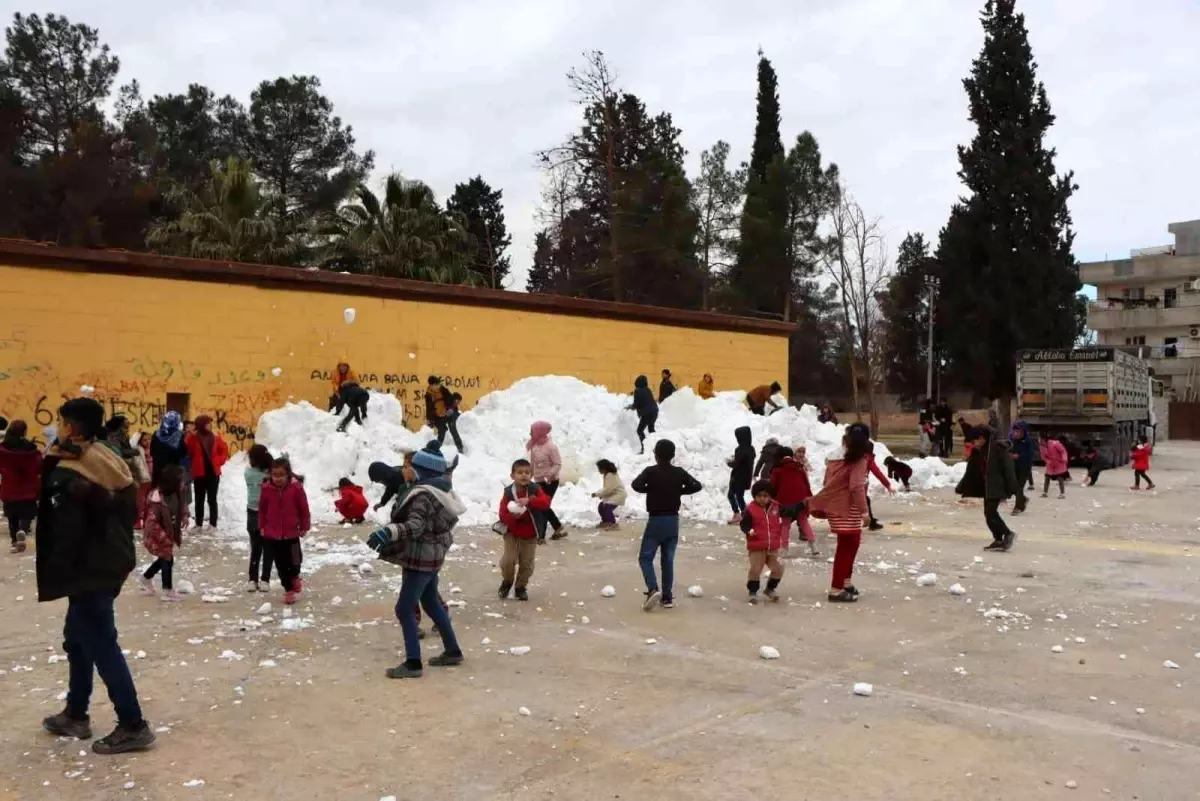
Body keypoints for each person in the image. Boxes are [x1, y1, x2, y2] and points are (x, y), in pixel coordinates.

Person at [37, 397, 156, 754]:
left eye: (62, 422)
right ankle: (76, 713)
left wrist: (57, 574)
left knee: (101, 642)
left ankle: (133, 724)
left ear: (72, 427)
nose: (59, 428)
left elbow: (67, 532)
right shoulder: (105, 458)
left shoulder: (72, 472)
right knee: (77, 639)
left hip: (91, 567)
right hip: (109, 559)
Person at [365, 442, 465, 679]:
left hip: (420, 558)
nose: (405, 469)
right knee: (430, 602)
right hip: (432, 557)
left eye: (409, 466)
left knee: (403, 609)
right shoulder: (438, 491)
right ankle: (452, 650)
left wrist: (388, 532)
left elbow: (417, 525)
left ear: (421, 471)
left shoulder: (422, 496)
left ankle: (413, 663)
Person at [800, 426, 870, 602]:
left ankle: (845, 583)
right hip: (849, 508)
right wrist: (864, 512)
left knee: (849, 544)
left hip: (836, 506)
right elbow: (856, 487)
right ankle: (836, 588)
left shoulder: (834, 457)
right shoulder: (858, 459)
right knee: (847, 547)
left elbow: (827, 482)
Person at [631, 439, 703, 611]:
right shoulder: (678, 472)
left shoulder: (650, 472)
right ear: (672, 455)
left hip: (656, 520)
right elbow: (697, 485)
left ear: (656, 455)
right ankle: (667, 597)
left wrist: (651, 489)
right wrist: (679, 491)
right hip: (673, 521)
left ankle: (653, 589)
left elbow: (636, 485)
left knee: (645, 557)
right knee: (667, 559)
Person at [496, 458, 553, 600]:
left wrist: (530, 500)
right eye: (520, 472)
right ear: (512, 476)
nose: (524, 475)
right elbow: (502, 513)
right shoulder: (509, 492)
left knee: (527, 564)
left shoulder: (535, 489)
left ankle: (520, 587)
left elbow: (546, 502)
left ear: (532, 475)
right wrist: (513, 516)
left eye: (527, 472)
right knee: (508, 561)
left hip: (530, 534)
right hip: (512, 533)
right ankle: (507, 581)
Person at [956, 426, 1018, 551]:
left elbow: (1008, 469)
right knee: (988, 514)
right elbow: (971, 471)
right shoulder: (979, 450)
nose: (974, 444)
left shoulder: (997, 449)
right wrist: (962, 486)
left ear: (982, 438)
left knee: (991, 512)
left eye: (975, 441)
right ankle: (998, 539)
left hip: (997, 486)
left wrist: (1011, 488)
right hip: (987, 487)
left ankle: (1008, 533)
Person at [257, 457, 310, 605]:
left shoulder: (296, 488)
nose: (278, 478)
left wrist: (305, 525)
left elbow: (303, 508)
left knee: (295, 559)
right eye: (275, 475)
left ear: (288, 474)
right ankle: (289, 590)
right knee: (280, 564)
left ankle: (294, 576)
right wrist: (261, 526)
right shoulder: (266, 488)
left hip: (292, 532)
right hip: (273, 533)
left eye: (281, 475)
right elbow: (262, 509)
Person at [138, 464, 188, 601]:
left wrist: (184, 515)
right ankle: (167, 590)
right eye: (181, 480)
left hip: (171, 531)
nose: (184, 482)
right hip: (157, 535)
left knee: (165, 558)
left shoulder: (179, 491)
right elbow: (151, 523)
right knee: (167, 558)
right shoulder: (156, 500)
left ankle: (146, 577)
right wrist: (163, 538)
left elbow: (182, 504)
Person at [738, 479, 788, 603]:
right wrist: (749, 530)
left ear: (770, 496)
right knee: (756, 570)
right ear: (755, 496)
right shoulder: (750, 509)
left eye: (765, 496)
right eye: (759, 496)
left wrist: (802, 505)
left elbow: (788, 512)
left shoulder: (776, 507)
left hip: (773, 546)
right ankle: (753, 592)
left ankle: (770, 589)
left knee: (779, 568)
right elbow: (744, 524)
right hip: (757, 546)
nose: (762, 499)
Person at [0, 420, 42, 553]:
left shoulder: (3, 449)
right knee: (27, 513)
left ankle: (14, 542)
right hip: (28, 488)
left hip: (9, 487)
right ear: (25, 431)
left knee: (12, 515)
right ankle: (23, 529)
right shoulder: (31, 448)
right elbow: (39, 465)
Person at [770, 446, 818, 557]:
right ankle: (813, 546)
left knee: (786, 524)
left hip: (785, 500)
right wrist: (808, 497)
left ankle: (785, 549)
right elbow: (806, 482)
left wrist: (772, 499)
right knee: (803, 522)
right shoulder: (799, 467)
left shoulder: (777, 469)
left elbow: (772, 485)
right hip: (801, 499)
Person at [184, 415, 228, 529]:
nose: (210, 426)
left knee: (212, 499)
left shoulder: (215, 438)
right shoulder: (193, 438)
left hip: (213, 473)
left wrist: (218, 461)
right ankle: (198, 524)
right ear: (201, 426)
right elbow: (188, 450)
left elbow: (224, 451)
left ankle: (213, 524)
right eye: (208, 424)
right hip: (200, 473)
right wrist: (190, 435)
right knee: (199, 499)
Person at [527, 421, 567, 541]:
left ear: (540, 432)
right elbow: (532, 464)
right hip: (539, 481)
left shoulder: (551, 447)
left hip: (550, 482)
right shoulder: (534, 446)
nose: (530, 433)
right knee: (542, 506)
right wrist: (528, 478)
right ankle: (557, 527)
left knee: (543, 507)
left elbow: (557, 464)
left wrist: (549, 475)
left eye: (532, 431)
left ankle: (541, 536)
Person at [243, 444, 273, 592]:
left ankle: (252, 579)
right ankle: (265, 579)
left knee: (256, 548)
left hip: (252, 513)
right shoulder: (269, 475)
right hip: (268, 514)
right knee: (268, 548)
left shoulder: (248, 473)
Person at [425, 376, 464, 452]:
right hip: (438, 416)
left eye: (439, 384)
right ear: (431, 385)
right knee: (441, 431)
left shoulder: (443, 390)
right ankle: (436, 450)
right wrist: (429, 419)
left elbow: (451, 400)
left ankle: (460, 448)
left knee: (453, 429)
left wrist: (452, 409)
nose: (438, 386)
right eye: (436, 385)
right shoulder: (428, 395)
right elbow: (429, 408)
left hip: (449, 413)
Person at [725, 426, 755, 524]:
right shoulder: (751, 449)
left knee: (731, 495)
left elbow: (736, 463)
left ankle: (738, 514)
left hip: (738, 477)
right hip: (746, 477)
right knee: (739, 496)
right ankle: (745, 514)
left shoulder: (740, 449)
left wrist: (729, 462)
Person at [149, 411, 188, 486]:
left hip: (158, 470)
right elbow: (182, 452)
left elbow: (152, 451)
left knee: (158, 494)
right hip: (172, 471)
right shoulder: (178, 436)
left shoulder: (156, 434)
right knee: (171, 493)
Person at [1008, 422, 1036, 512]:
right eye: (1014, 431)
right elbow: (1008, 449)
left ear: (1023, 431)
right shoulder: (1012, 440)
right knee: (1013, 486)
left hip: (1024, 467)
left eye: (1017, 431)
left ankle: (1018, 507)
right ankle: (1023, 499)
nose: (1015, 433)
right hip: (1014, 466)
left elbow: (1031, 454)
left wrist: (1019, 456)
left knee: (1019, 487)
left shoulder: (1028, 440)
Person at [592, 459, 626, 530]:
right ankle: (606, 521)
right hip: (613, 494)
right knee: (601, 506)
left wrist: (597, 494)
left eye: (599, 469)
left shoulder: (610, 475)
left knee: (607, 508)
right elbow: (608, 488)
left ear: (604, 468)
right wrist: (602, 495)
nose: (598, 470)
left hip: (618, 495)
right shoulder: (607, 474)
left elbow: (608, 489)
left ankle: (613, 524)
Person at [629, 375, 658, 453]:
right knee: (651, 429)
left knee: (639, 431)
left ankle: (645, 448)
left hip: (647, 413)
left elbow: (636, 404)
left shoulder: (637, 391)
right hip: (654, 412)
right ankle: (656, 447)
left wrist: (629, 407)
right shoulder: (647, 389)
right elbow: (644, 396)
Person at [1038, 432, 1069, 499]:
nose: (1038, 440)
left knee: (1060, 478)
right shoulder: (1041, 447)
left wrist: (1064, 458)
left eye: (1039, 439)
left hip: (1059, 463)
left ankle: (1062, 493)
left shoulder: (1055, 443)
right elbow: (1043, 456)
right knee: (1047, 477)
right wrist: (1047, 461)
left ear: (1043, 439)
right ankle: (1045, 493)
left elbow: (1063, 451)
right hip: (1050, 464)